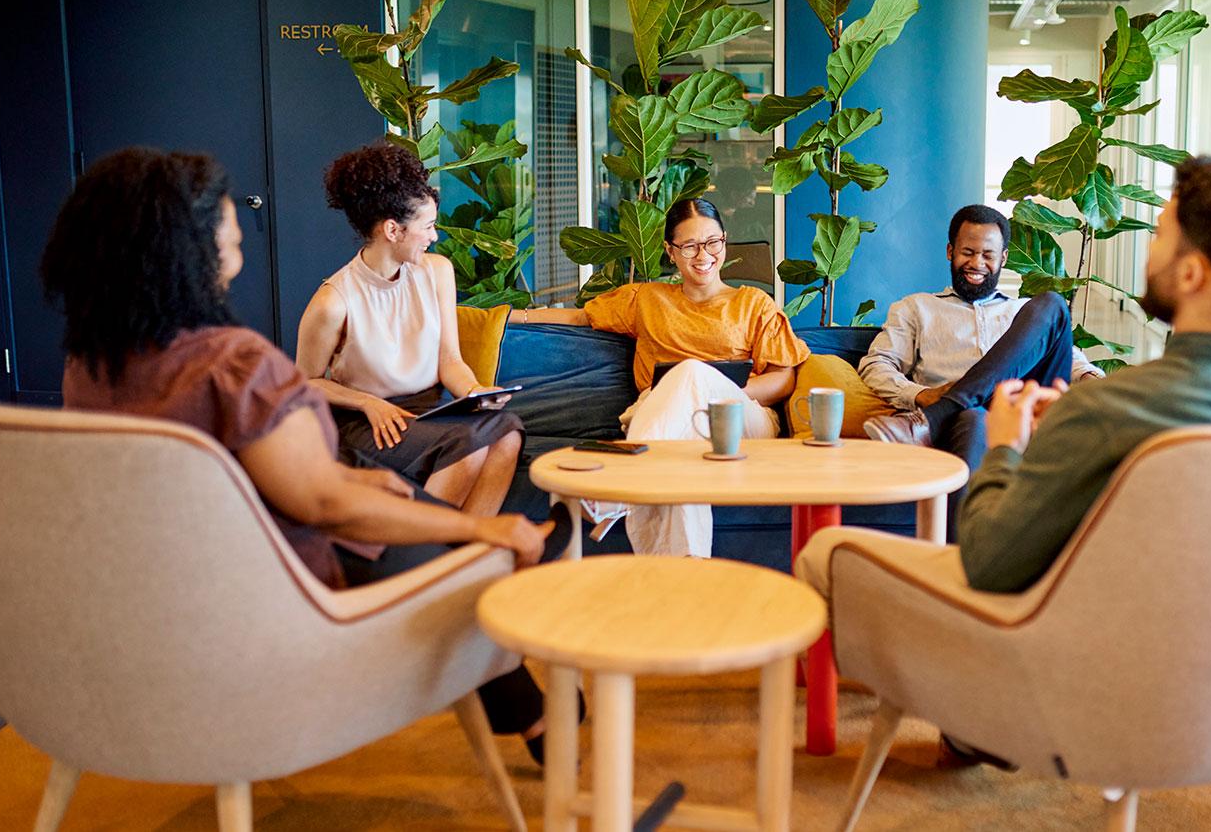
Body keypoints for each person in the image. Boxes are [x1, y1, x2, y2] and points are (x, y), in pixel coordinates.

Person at [795, 157, 1211, 767]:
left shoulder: (1110, 410)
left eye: (1159, 234)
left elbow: (990, 564)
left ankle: (979, 707)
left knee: (822, 557)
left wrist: (1008, 446)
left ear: (1193, 271)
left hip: (1089, 684)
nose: (1147, 246)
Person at [42, 146, 563, 763]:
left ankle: (532, 715)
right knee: (475, 564)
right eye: (224, 218)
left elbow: (247, 481)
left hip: (171, 591)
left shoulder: (89, 367)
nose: (238, 223)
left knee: (419, 518)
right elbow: (324, 502)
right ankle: (536, 716)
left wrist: (380, 492)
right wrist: (482, 528)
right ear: (188, 247)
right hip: (283, 593)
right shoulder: (237, 365)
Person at [515, 198, 810, 557]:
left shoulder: (753, 303)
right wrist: (509, 317)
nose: (703, 255)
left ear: (725, 241)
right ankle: (684, 571)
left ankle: (623, 482)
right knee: (680, 461)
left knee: (691, 371)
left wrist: (717, 390)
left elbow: (783, 377)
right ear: (671, 252)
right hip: (664, 421)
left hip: (739, 419)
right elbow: (580, 318)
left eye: (712, 242)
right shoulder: (648, 299)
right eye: (689, 246)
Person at [295, 142, 524, 557]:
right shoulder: (333, 301)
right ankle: (420, 562)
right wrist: (367, 403)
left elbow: (449, 361)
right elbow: (306, 384)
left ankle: (468, 558)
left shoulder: (436, 272)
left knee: (505, 432)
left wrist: (473, 392)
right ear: (392, 230)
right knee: (468, 447)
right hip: (369, 423)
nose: (434, 237)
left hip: (428, 411)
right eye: (428, 226)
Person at [858, 204, 1101, 538]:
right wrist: (922, 395)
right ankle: (963, 555)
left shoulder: (1023, 312)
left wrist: (1096, 386)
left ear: (1003, 259)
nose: (976, 263)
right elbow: (876, 364)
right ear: (950, 252)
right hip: (967, 422)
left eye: (988, 254)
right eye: (967, 252)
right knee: (973, 418)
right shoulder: (916, 308)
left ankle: (934, 419)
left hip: (1024, 411)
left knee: (1052, 305)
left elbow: (1077, 364)